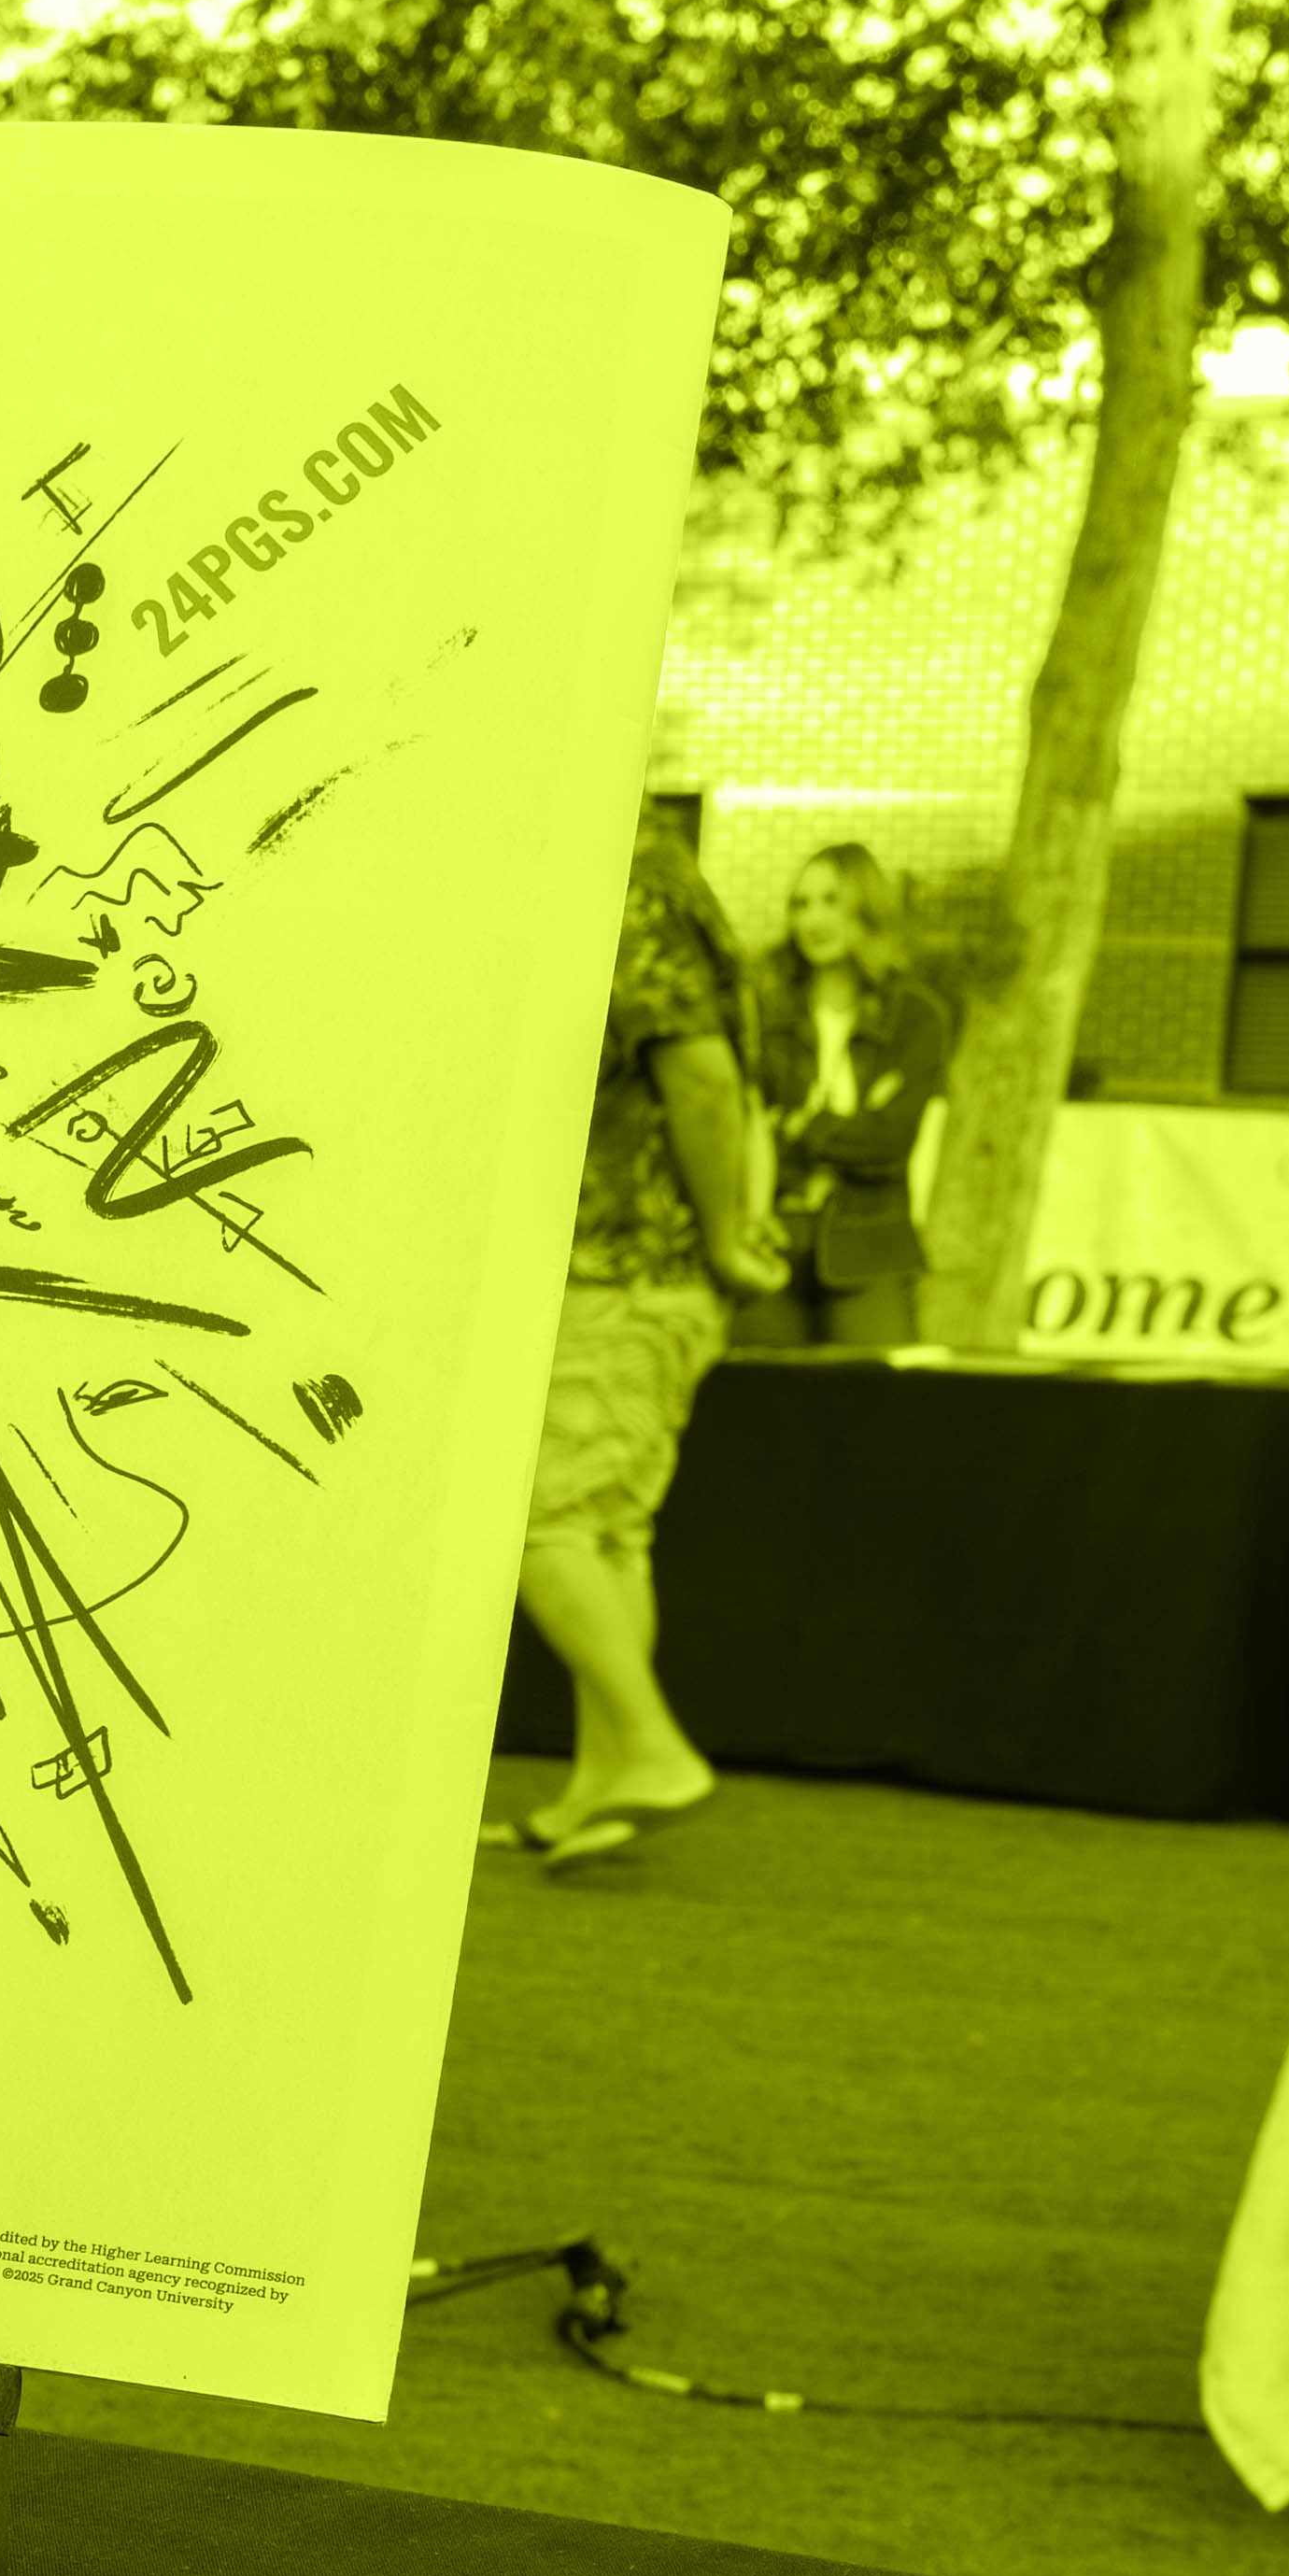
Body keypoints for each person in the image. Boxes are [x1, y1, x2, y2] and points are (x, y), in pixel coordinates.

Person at [509, 771, 787, 1862]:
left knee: (542, 1522)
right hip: (659, 1278)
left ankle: (654, 1749)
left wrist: (723, 1235)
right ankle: (600, 1784)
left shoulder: (627, 889)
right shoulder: (671, 880)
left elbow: (704, 1080)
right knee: (608, 1530)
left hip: (627, 1267)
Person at [737, 842, 956, 1351]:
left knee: (872, 1389)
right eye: (800, 903)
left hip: (871, 1240)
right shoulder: (766, 1009)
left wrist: (801, 1126)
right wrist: (844, 1125)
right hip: (774, 1237)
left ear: (867, 907)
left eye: (831, 901)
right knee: (758, 1390)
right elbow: (745, 1125)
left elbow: (891, 1142)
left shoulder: (916, 1016)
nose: (812, 919)